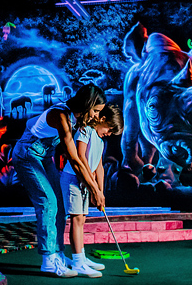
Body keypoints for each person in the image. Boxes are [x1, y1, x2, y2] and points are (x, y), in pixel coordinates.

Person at [12, 84, 107, 277]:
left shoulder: (74, 118)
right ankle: (48, 260)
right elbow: (74, 159)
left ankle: (59, 254)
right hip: (27, 155)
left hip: (44, 156)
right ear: (87, 104)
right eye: (96, 111)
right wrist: (95, 190)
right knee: (48, 202)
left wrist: (95, 188)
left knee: (61, 206)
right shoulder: (61, 116)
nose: (97, 117)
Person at [61, 104, 123, 278]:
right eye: (109, 129)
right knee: (76, 218)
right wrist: (93, 187)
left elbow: (99, 168)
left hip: (86, 183)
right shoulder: (85, 130)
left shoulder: (101, 141)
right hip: (73, 179)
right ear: (102, 119)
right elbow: (81, 159)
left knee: (82, 219)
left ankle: (81, 257)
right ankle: (77, 261)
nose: (109, 134)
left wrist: (101, 192)